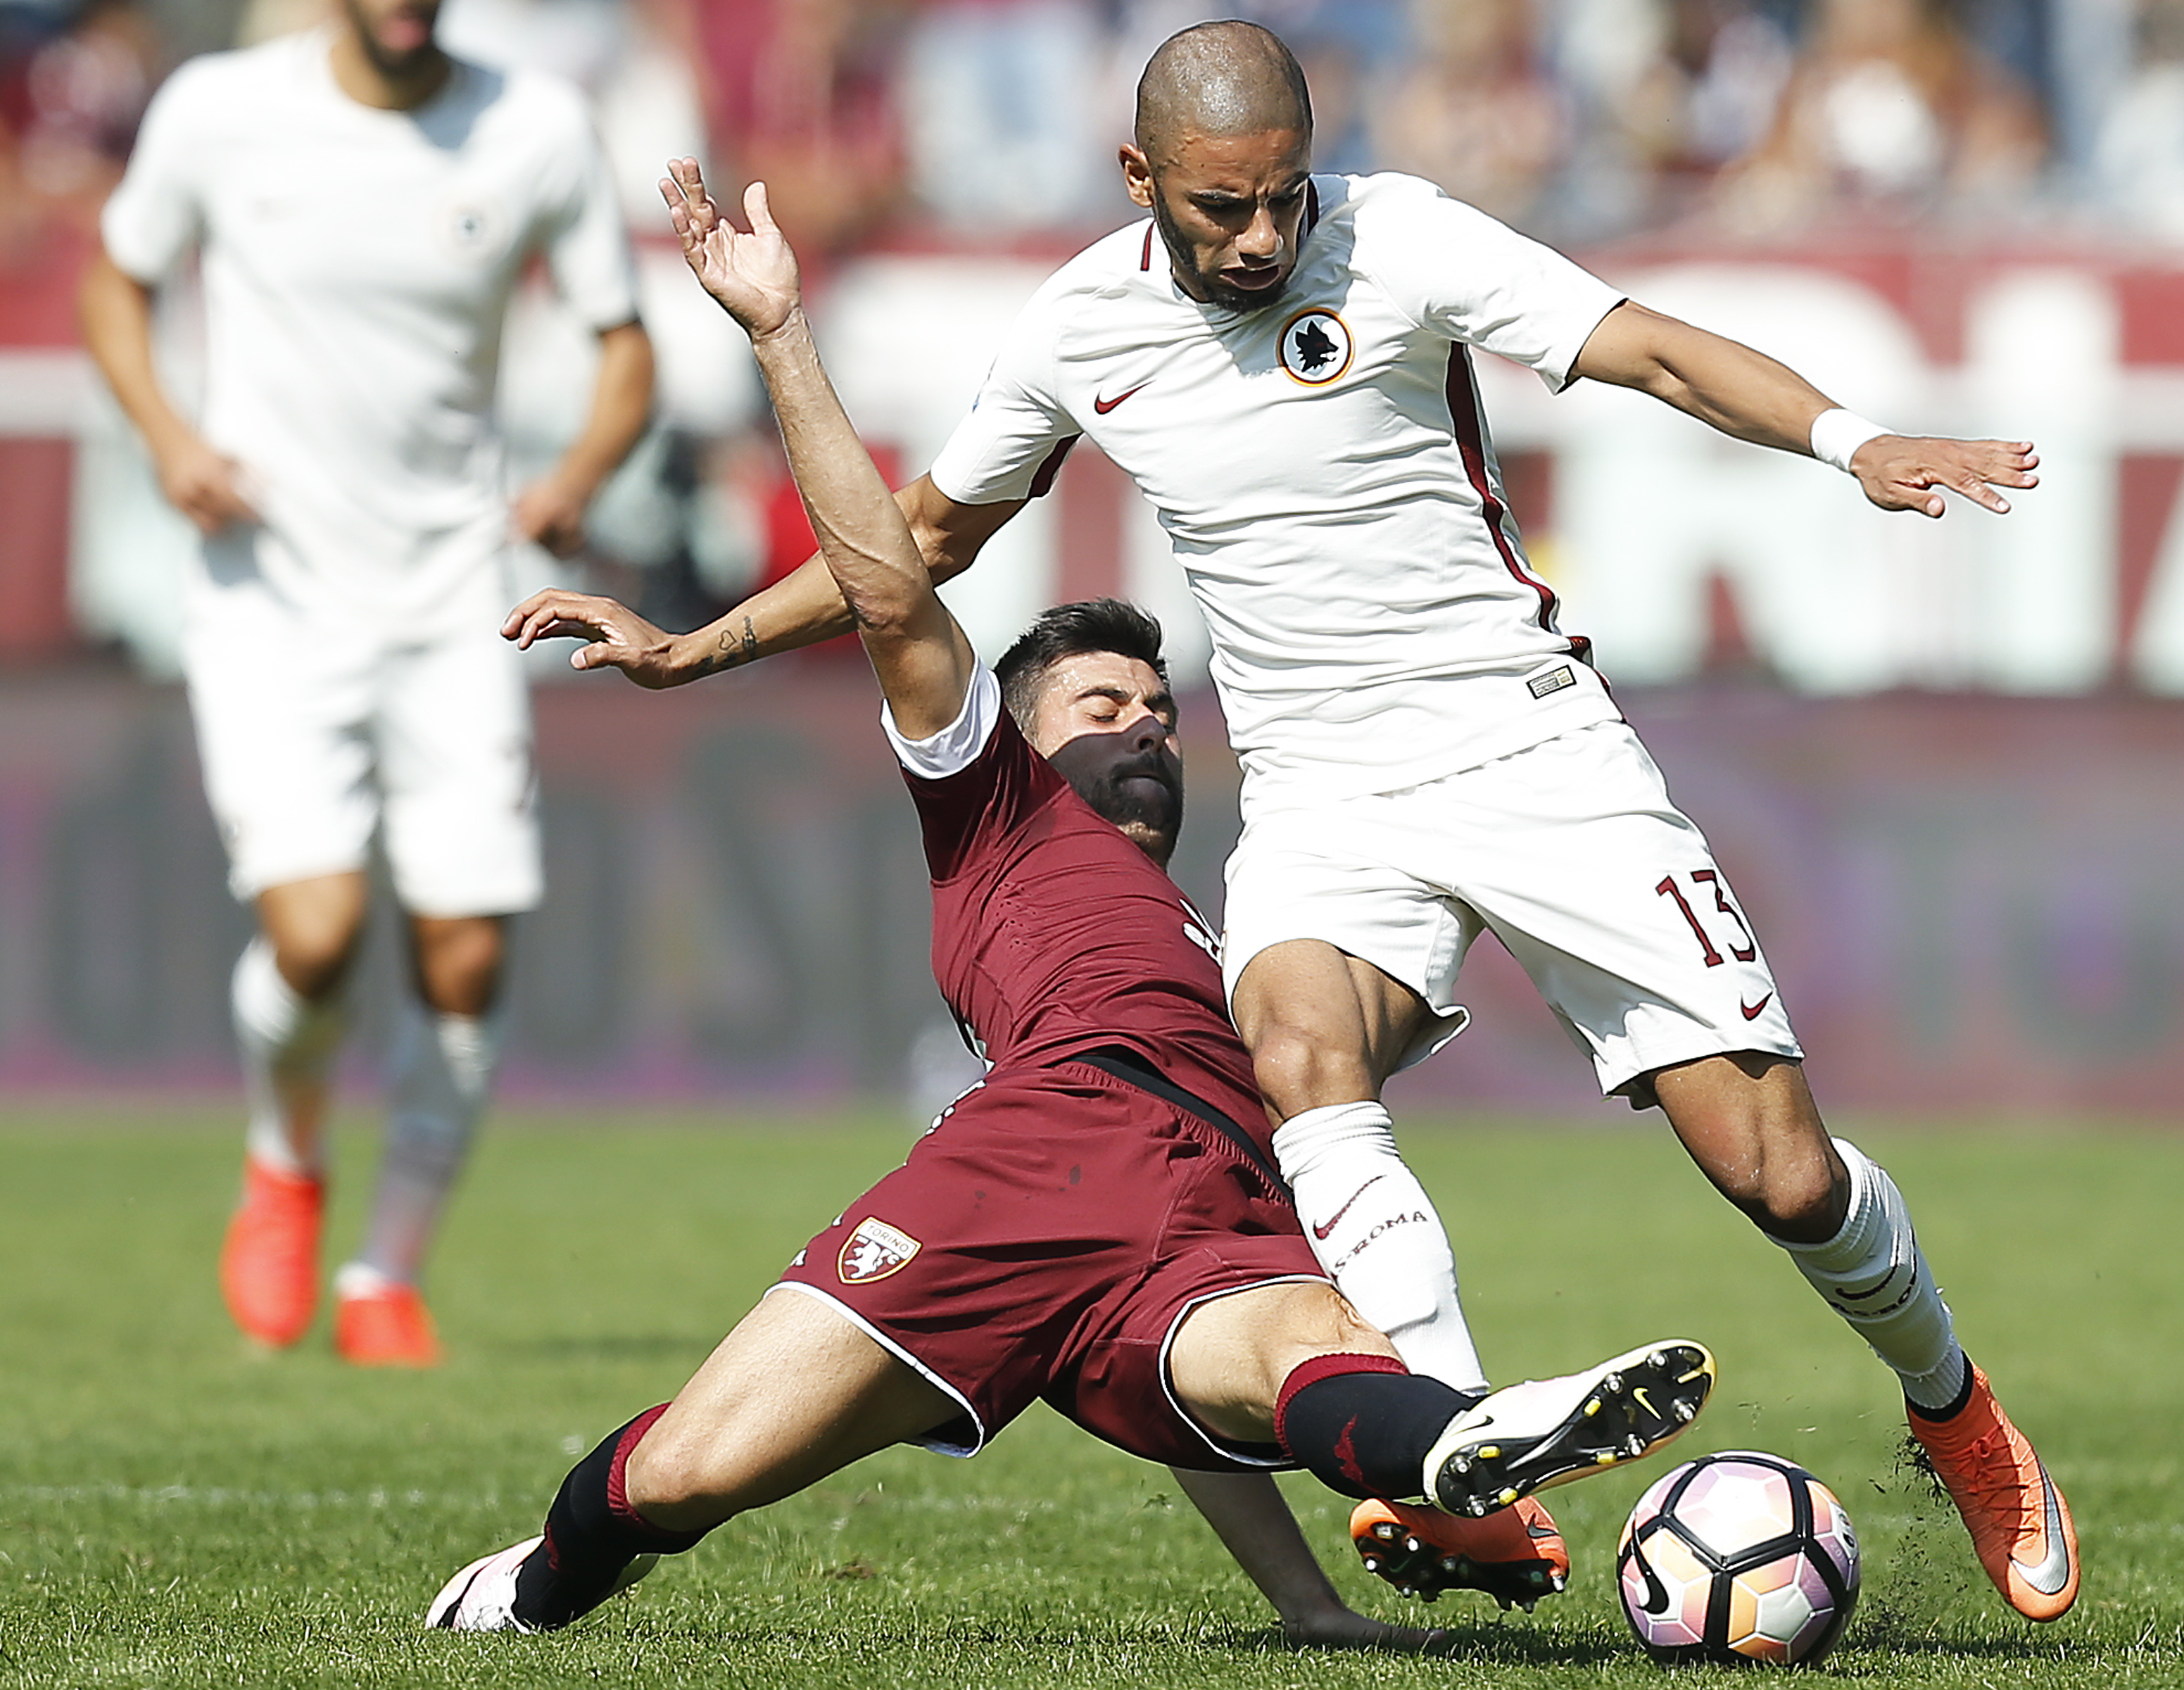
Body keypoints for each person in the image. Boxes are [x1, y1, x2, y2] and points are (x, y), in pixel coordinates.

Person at [522, 20, 2081, 1625]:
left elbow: (1651, 347)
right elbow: (919, 536)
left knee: (1778, 1174)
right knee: (1292, 1045)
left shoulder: (1399, 237)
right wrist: (693, 644)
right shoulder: (1081, 324)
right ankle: (1469, 1468)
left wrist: (1853, 439)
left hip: (1526, 745)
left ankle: (1953, 1406)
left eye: (1282, 196)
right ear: (1140, 178)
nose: (1263, 237)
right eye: (1220, 210)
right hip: (1322, 786)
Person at [431, 160, 1718, 1641]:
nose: (1147, 727)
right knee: (683, 1474)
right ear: (1015, 730)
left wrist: (1303, 1611)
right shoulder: (995, 809)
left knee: (1307, 1341)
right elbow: (891, 587)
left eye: (1162, 710)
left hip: (1216, 1195)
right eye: (1105, 702)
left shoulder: (1227, 933)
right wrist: (782, 335)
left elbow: (1190, 1435)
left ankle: (1444, 1450)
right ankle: (536, 1586)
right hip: (1046, 1150)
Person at [78, 0, 655, 1366]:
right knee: (319, 933)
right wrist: (166, 436)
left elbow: (620, 341)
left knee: (464, 951)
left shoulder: (535, 127)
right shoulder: (223, 111)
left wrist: (574, 478)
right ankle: (284, 1156)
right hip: (269, 587)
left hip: (458, 593)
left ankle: (383, 1274)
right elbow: (116, 280)